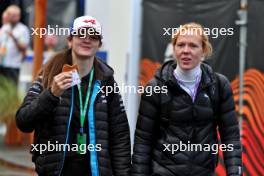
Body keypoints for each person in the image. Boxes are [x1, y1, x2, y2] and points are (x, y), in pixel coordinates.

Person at [16, 15, 131, 176]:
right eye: (81, 34)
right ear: (70, 40)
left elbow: (120, 136)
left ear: (99, 44)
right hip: (56, 170)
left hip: (95, 170)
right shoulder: (49, 74)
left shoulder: (106, 81)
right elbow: (23, 122)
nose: (87, 39)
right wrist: (51, 95)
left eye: (93, 36)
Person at [131, 23, 242, 176]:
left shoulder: (219, 85)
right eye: (181, 45)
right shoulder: (155, 87)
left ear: (203, 50)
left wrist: (235, 172)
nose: (186, 51)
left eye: (193, 46)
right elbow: (143, 140)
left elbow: (231, 137)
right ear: (174, 48)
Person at [0, 5, 30, 83]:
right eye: (12, 16)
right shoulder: (4, 27)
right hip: (2, 64)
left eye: (16, 16)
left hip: (14, 65)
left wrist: (14, 37)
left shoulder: (23, 29)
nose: (15, 18)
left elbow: (24, 47)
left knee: (11, 88)